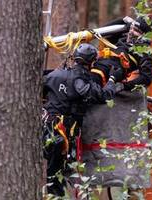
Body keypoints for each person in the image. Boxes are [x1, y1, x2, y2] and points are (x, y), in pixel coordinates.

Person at [42, 43, 125, 196]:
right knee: (57, 176)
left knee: (56, 174)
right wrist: (113, 79)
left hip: (46, 128)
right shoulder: (80, 81)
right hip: (62, 134)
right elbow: (103, 96)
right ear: (91, 63)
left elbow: (42, 87)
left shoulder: (55, 75)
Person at [91, 16, 152, 90]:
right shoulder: (122, 39)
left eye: (136, 30)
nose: (131, 32)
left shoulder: (144, 50)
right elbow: (101, 32)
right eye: (131, 28)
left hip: (104, 75)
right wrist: (122, 19)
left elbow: (146, 78)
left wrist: (124, 86)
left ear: (144, 36)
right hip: (92, 66)